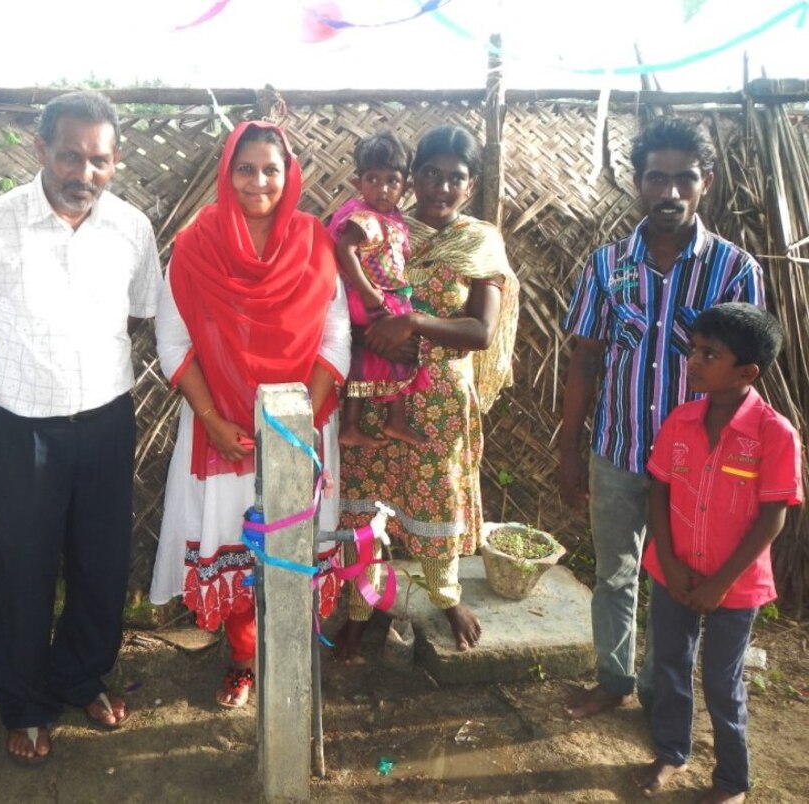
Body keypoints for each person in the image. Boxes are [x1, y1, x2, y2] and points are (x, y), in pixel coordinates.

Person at [0, 90, 160, 764]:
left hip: (105, 419)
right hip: (21, 425)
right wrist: (17, 357)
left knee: (99, 564)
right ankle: (25, 702)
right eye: (70, 155)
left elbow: (140, 311)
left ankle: (81, 676)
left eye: (99, 160)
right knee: (22, 570)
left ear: (115, 160)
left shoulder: (131, 229)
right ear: (41, 151)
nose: (84, 172)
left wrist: (82, 359)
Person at [559, 117, 766, 721]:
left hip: (696, 466)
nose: (669, 193)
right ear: (638, 183)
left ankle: (659, 690)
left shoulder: (734, 271)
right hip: (618, 450)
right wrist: (571, 450)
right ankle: (614, 679)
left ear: (706, 183)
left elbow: (745, 377)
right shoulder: (607, 267)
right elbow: (584, 361)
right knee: (614, 573)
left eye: (684, 179)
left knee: (677, 583)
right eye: (657, 178)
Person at [148, 120, 350, 708]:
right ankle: (242, 659)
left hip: (303, 427)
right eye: (245, 168)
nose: (257, 181)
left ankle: (290, 656)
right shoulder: (195, 244)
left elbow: (335, 334)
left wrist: (296, 422)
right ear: (226, 173)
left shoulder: (315, 241)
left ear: (289, 177)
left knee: (294, 544)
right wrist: (213, 419)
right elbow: (172, 338)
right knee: (236, 538)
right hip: (222, 433)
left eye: (270, 169)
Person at [333, 124, 520, 659]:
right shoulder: (386, 227)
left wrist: (411, 322)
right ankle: (358, 608)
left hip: (438, 400)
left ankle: (445, 595)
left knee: (437, 499)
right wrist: (380, 336)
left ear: (471, 184)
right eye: (431, 174)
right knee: (362, 506)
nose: (440, 188)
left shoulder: (478, 240)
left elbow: (480, 332)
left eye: (454, 179)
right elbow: (346, 292)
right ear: (412, 178)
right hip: (376, 388)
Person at [632, 303, 802, 803]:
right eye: (694, 349)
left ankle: (732, 780)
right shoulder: (681, 421)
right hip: (674, 572)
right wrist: (670, 559)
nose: (694, 360)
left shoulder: (775, 435)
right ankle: (670, 751)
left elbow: (773, 517)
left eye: (710, 353)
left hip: (735, 583)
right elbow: (658, 489)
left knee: (722, 682)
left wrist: (719, 583)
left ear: (747, 371)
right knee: (669, 664)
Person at [328, 131, 430, 448]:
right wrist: (370, 293)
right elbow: (345, 251)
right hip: (371, 296)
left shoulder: (389, 217)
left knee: (368, 359)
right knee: (400, 347)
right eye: (373, 179)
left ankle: (354, 425)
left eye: (391, 181)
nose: (382, 189)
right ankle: (394, 419)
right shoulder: (363, 216)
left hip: (379, 294)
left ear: (405, 187)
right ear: (359, 182)